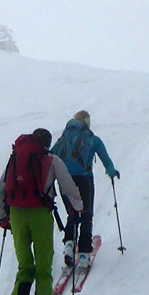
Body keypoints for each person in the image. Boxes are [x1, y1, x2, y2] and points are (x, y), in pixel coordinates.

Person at [0, 127, 82, 295]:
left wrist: (3, 218)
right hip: (40, 215)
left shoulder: (15, 159)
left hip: (17, 216)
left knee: (25, 266)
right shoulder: (51, 160)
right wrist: (78, 209)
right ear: (47, 144)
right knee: (43, 268)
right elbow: (69, 187)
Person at [50, 109, 119, 272]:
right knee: (86, 213)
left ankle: (69, 245)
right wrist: (111, 172)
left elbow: (51, 155)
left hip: (65, 179)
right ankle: (83, 254)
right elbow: (105, 159)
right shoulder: (93, 139)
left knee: (72, 213)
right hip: (84, 179)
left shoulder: (64, 138)